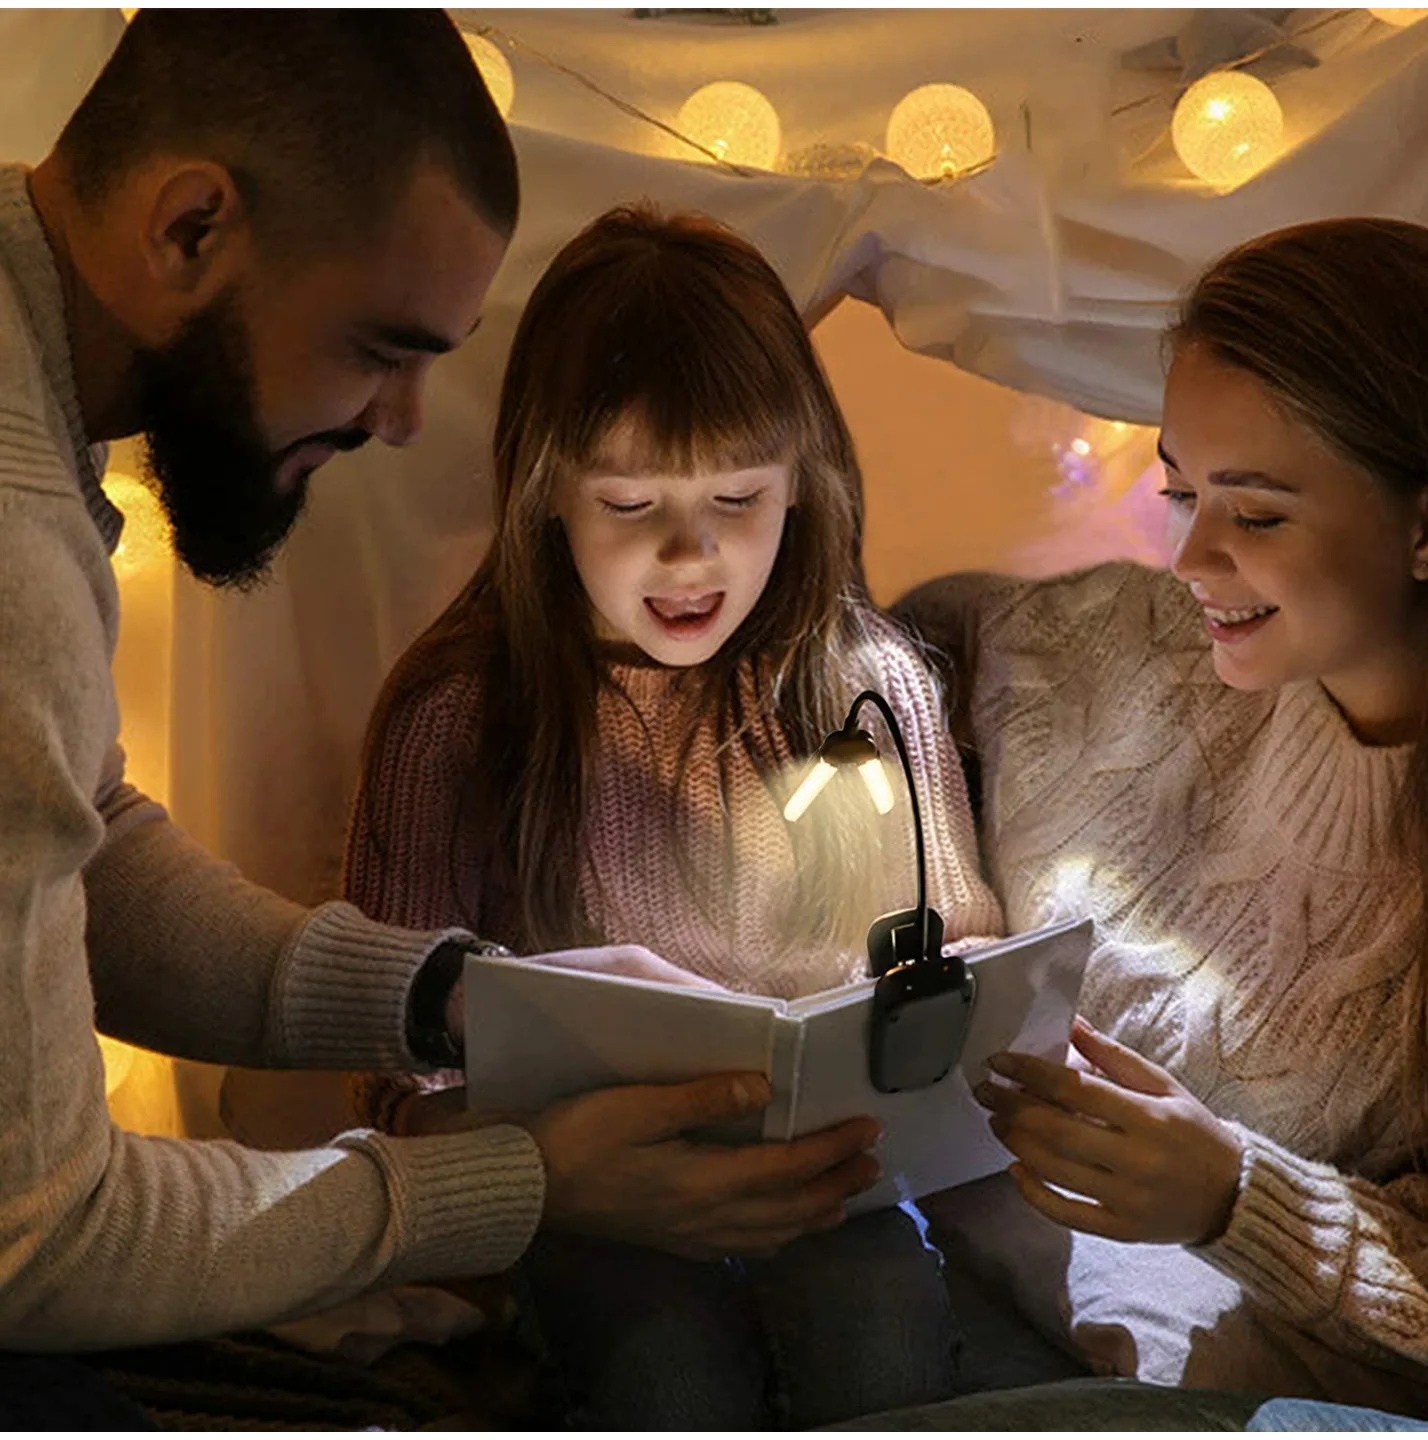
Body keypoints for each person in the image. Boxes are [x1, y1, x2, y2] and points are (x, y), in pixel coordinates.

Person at [0, 8, 880, 1385]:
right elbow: (40, 1243)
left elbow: (86, 846)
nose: (404, 424)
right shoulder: (13, 558)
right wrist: (513, 1185)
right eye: (379, 349)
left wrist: (464, 994)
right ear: (191, 229)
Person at [340, 205, 1007, 1427]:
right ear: (548, 494)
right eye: (633, 505)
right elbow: (390, 1052)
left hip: (831, 1183)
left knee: (883, 1335)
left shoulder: (870, 681)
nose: (690, 554)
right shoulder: (460, 715)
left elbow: (958, 938)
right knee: (663, 1371)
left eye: (739, 498)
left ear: (802, 484)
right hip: (590, 1200)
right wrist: (514, 1138)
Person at [895, 216, 1428, 1422]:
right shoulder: (1146, 647)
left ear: (1426, 523)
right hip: (970, 1279)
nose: (1189, 555)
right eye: (1181, 488)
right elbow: (910, 641)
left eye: (1254, 513)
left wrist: (1237, 1200)